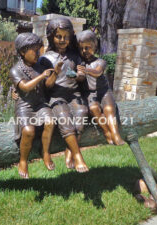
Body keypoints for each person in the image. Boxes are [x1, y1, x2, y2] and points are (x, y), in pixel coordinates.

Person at [39, 17, 89, 172]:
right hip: (56, 97)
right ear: (50, 37)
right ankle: (78, 156)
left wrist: (76, 75)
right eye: (58, 36)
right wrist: (55, 73)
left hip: (73, 94)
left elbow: (82, 75)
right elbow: (46, 85)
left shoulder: (74, 56)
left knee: (82, 112)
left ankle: (70, 150)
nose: (62, 40)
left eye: (66, 37)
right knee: (63, 116)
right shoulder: (45, 58)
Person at [9, 33, 61, 179]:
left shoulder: (40, 66)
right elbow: (25, 87)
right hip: (24, 105)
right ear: (22, 52)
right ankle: (23, 160)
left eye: (39, 49)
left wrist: (55, 74)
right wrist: (42, 75)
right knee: (28, 131)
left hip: (40, 103)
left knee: (50, 122)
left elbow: (48, 85)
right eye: (35, 50)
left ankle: (45, 152)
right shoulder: (15, 70)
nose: (39, 53)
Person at [76, 30, 125, 145]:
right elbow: (80, 77)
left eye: (88, 47)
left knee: (108, 110)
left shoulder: (100, 61)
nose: (84, 51)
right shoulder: (80, 63)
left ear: (95, 46)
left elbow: (98, 72)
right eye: (82, 48)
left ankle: (115, 134)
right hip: (90, 94)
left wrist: (87, 70)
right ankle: (107, 132)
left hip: (104, 92)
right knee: (93, 109)